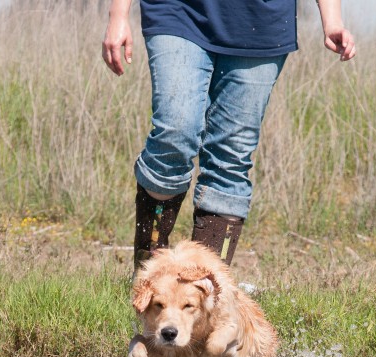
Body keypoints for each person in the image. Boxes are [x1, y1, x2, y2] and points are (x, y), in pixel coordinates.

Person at [102, 0, 356, 270]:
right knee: (175, 133)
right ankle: (148, 279)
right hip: (178, 10)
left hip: (260, 25)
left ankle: (205, 295)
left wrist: (332, 20)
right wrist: (118, 15)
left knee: (231, 156)